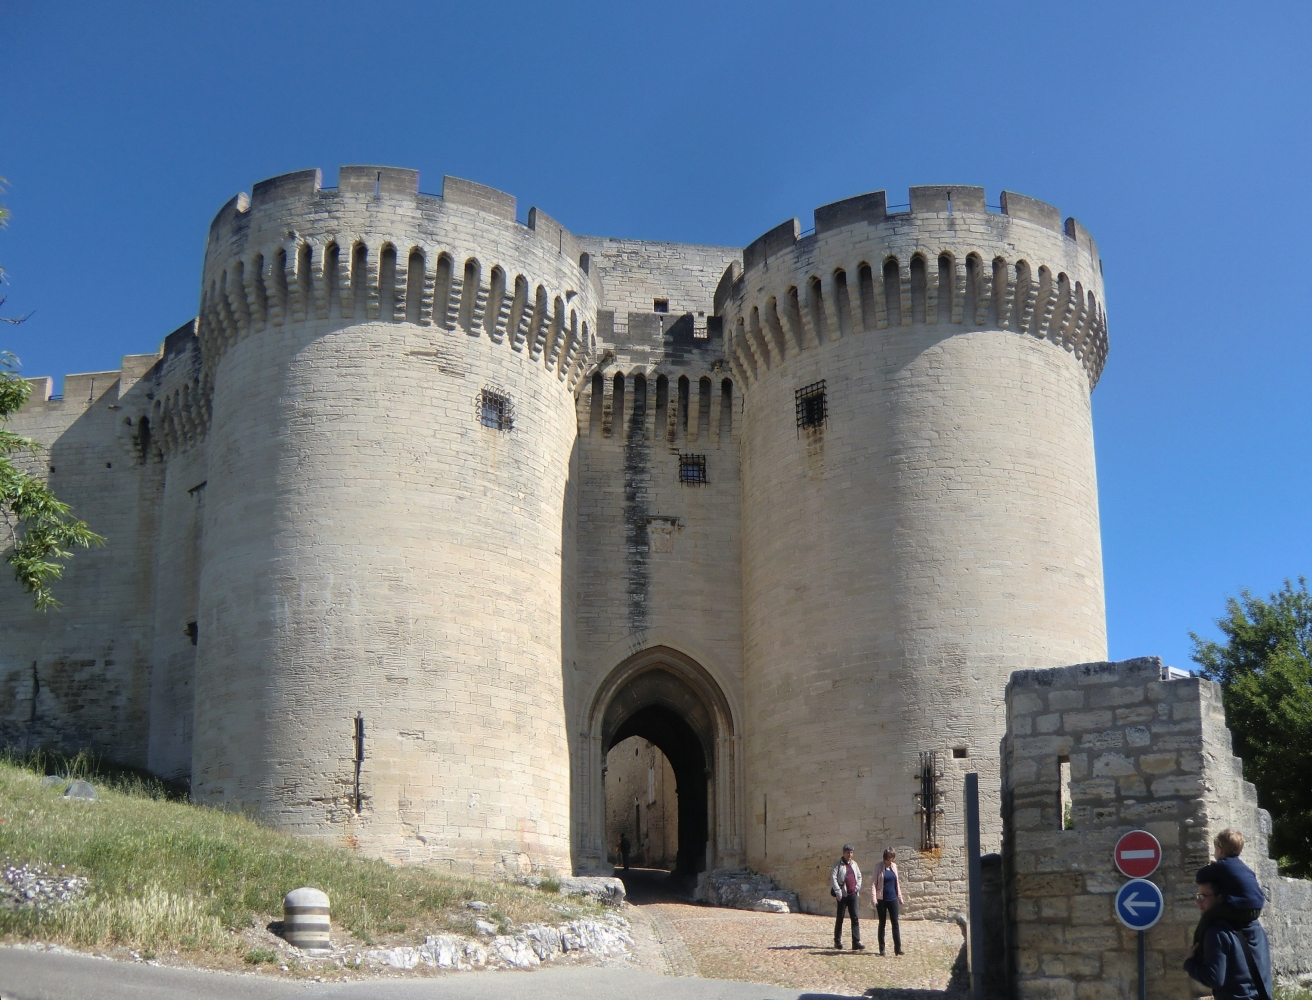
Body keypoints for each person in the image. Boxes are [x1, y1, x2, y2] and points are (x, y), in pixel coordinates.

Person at [1184, 877, 1274, 1000]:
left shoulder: (1217, 933)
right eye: (1198, 896)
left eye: (1203, 897)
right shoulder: (1256, 926)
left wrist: (1190, 963)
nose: (1198, 902)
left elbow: (1214, 979)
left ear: (1220, 897)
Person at [1192, 828, 1265, 951]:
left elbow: (1201, 876)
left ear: (1221, 850)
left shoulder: (1223, 865)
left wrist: (1212, 865)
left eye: (1215, 849)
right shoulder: (1244, 867)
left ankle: (1196, 948)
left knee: (1207, 917)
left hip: (1240, 908)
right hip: (1256, 908)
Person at [870, 848, 905, 956]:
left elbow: (896, 883)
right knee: (882, 923)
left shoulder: (894, 867)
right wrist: (874, 899)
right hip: (882, 899)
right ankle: (882, 948)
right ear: (885, 857)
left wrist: (900, 897)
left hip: (892, 898)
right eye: (889, 857)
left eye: (892, 857)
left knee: (895, 923)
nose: (891, 860)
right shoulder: (878, 867)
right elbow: (873, 884)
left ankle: (897, 948)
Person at [829, 844, 864, 950]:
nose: (850, 854)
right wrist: (838, 891)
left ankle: (856, 942)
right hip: (842, 895)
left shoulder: (854, 864)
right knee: (840, 918)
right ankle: (837, 941)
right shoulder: (837, 865)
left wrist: (857, 886)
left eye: (851, 852)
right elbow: (833, 878)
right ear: (844, 853)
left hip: (853, 894)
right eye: (848, 852)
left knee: (855, 918)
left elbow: (859, 876)